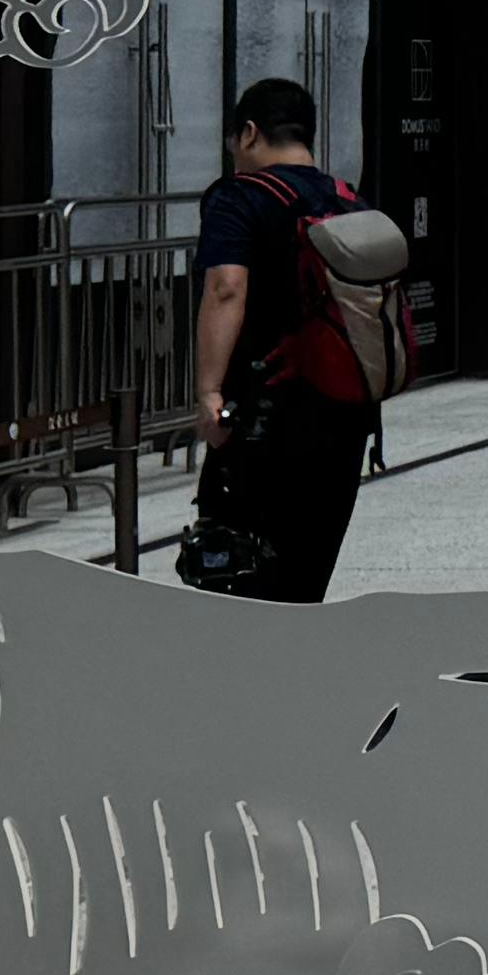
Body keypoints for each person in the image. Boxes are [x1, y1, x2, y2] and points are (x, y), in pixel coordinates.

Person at [186, 75, 382, 600]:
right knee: (305, 576)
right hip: (345, 415)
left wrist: (209, 393)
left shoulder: (239, 197)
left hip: (264, 417)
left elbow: (226, 289)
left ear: (249, 133)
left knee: (236, 575)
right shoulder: (346, 199)